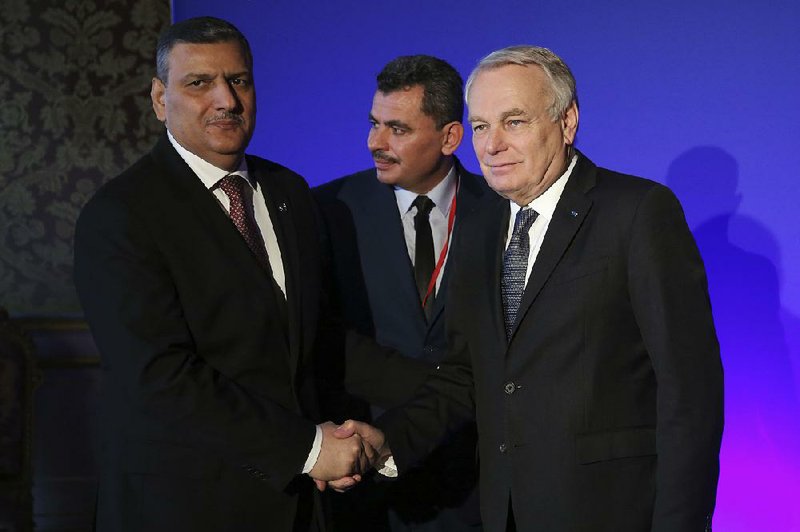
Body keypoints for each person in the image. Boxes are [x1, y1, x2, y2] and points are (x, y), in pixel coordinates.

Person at [334, 45, 724, 532]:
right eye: (480, 126)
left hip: (614, 512)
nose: (491, 145)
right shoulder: (479, 229)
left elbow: (690, 393)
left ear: (567, 121)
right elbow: (465, 375)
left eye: (513, 122)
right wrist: (387, 441)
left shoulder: (637, 213)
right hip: (504, 513)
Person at [73, 17, 371, 532]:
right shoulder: (120, 213)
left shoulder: (292, 192)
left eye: (239, 80)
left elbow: (315, 342)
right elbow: (158, 376)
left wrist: (353, 438)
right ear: (159, 99)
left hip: (301, 505)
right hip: (182, 508)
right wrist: (308, 449)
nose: (227, 100)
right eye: (199, 83)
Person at [314, 55, 489, 531]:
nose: (376, 143)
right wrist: (433, 395)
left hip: (473, 475)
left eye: (398, 129)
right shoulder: (328, 210)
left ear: (450, 137)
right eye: (374, 124)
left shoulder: (501, 213)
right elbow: (322, 335)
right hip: (367, 481)